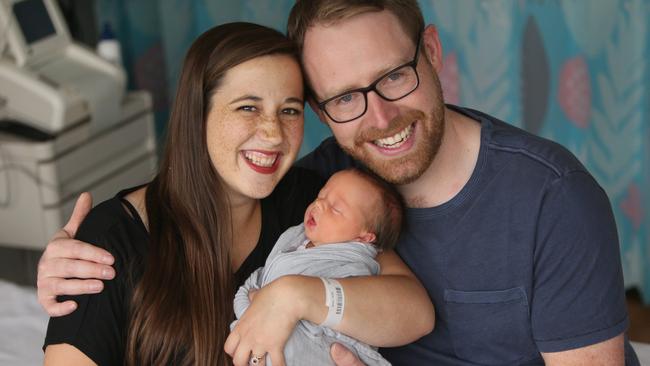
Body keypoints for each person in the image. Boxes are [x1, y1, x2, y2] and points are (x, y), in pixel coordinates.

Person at [36, 1, 638, 365]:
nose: (379, 117)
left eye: (394, 76)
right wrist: (80, 254)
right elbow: (203, 186)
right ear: (326, 112)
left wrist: (295, 296)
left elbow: (411, 309)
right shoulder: (317, 188)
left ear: (431, 52)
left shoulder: (552, 200)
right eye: (345, 97)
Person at [40, 22, 434, 366]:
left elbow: (414, 310)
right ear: (198, 114)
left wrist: (296, 295)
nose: (273, 133)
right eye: (248, 107)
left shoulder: (310, 205)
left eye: (289, 110)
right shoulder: (112, 240)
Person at [233, 168, 403, 366]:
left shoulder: (352, 267)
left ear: (364, 237)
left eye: (336, 209)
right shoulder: (297, 239)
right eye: (320, 195)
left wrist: (254, 304)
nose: (320, 204)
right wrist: (248, 305)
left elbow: (338, 327)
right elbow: (257, 281)